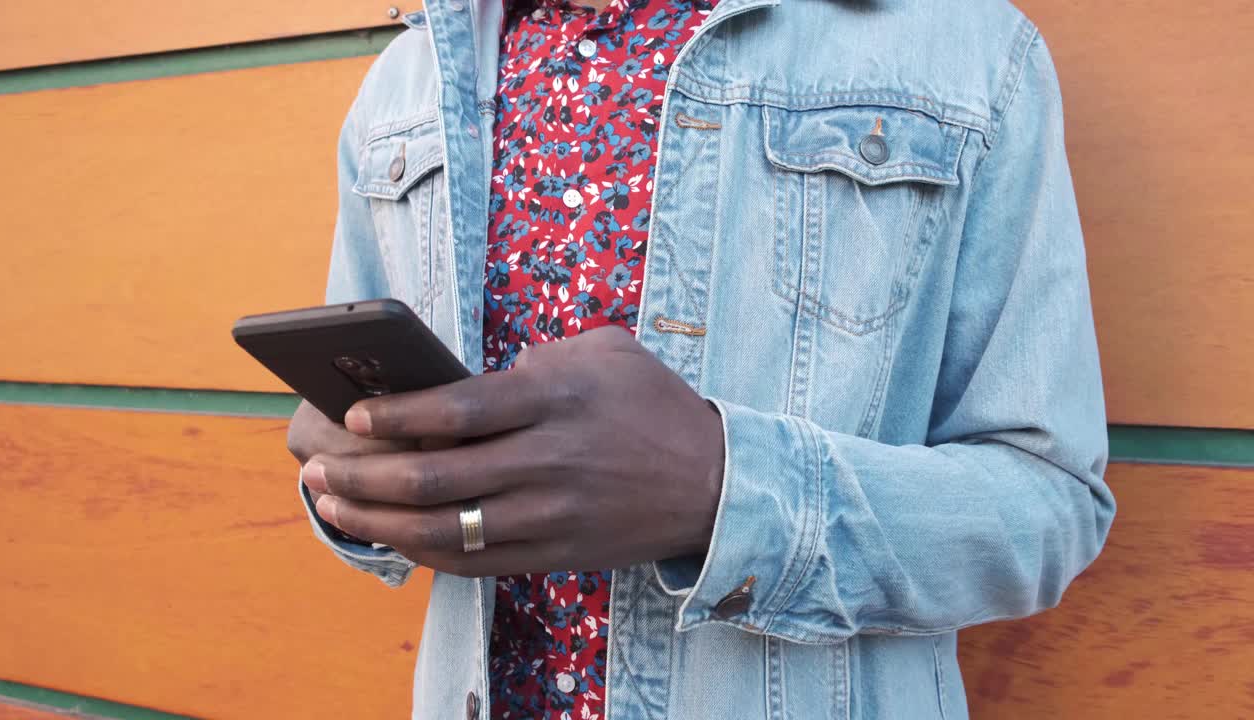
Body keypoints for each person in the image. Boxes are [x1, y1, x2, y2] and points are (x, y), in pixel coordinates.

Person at [286, 0, 1116, 716]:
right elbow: (371, 427)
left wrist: (726, 489)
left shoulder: (963, 54)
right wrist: (357, 482)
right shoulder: (410, 79)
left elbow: (1049, 508)